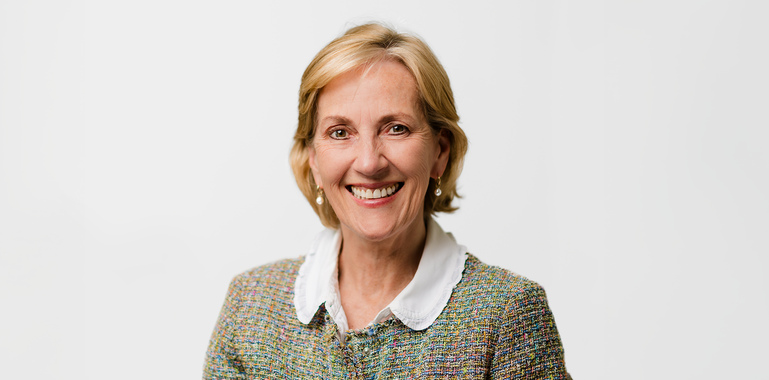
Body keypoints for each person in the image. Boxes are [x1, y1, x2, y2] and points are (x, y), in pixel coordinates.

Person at [204, 23, 571, 379]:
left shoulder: (508, 315)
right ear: (313, 160)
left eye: (396, 128)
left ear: (440, 152)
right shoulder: (249, 309)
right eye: (340, 132)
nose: (368, 162)